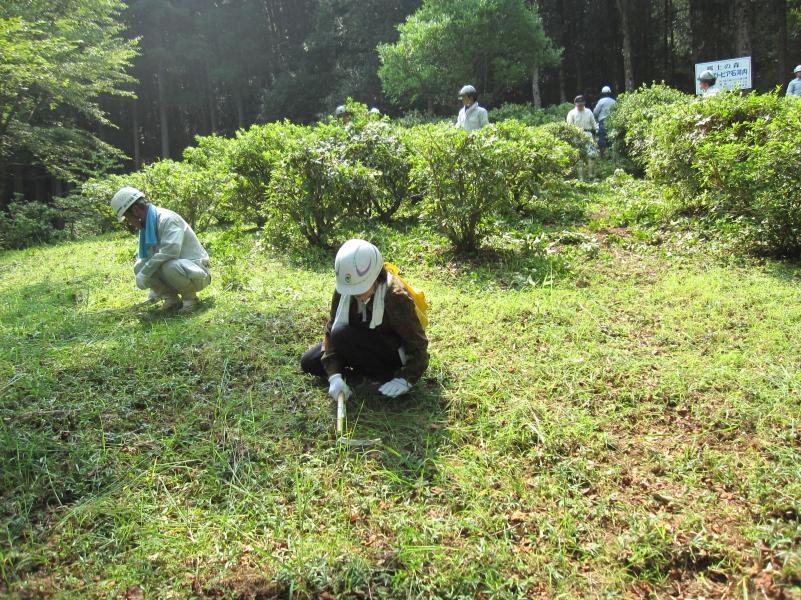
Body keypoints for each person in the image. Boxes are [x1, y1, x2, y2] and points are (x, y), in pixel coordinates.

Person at [301, 239, 429, 400]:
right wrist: (334, 377)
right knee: (310, 362)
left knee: (341, 334)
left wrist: (405, 379)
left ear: (375, 277)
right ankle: (357, 377)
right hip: (356, 340)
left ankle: (383, 376)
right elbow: (332, 328)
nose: (356, 295)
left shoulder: (395, 298)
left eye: (361, 290)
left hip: (387, 351)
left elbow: (418, 345)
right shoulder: (345, 288)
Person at [110, 187, 211, 311]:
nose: (129, 222)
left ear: (135, 210)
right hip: (176, 270)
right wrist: (149, 279)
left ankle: (190, 299)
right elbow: (148, 257)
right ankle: (171, 299)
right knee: (139, 266)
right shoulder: (148, 225)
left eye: (127, 217)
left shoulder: (167, 219)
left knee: (168, 265)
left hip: (197, 273)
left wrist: (145, 273)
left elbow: (170, 252)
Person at [566, 95, 598, 180]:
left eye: (581, 104)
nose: (580, 105)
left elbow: (594, 125)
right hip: (577, 137)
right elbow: (569, 127)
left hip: (588, 135)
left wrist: (596, 135)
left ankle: (591, 176)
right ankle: (581, 179)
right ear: (575, 104)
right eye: (578, 104)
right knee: (579, 158)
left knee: (592, 156)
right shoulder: (571, 113)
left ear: (584, 103)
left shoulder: (589, 111)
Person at [593, 85, 616, 156]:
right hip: (612, 121)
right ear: (609, 93)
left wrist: (596, 119)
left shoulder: (601, 101)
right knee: (611, 137)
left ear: (602, 93)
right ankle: (611, 154)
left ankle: (602, 154)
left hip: (602, 121)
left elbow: (595, 112)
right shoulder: (614, 101)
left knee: (602, 137)